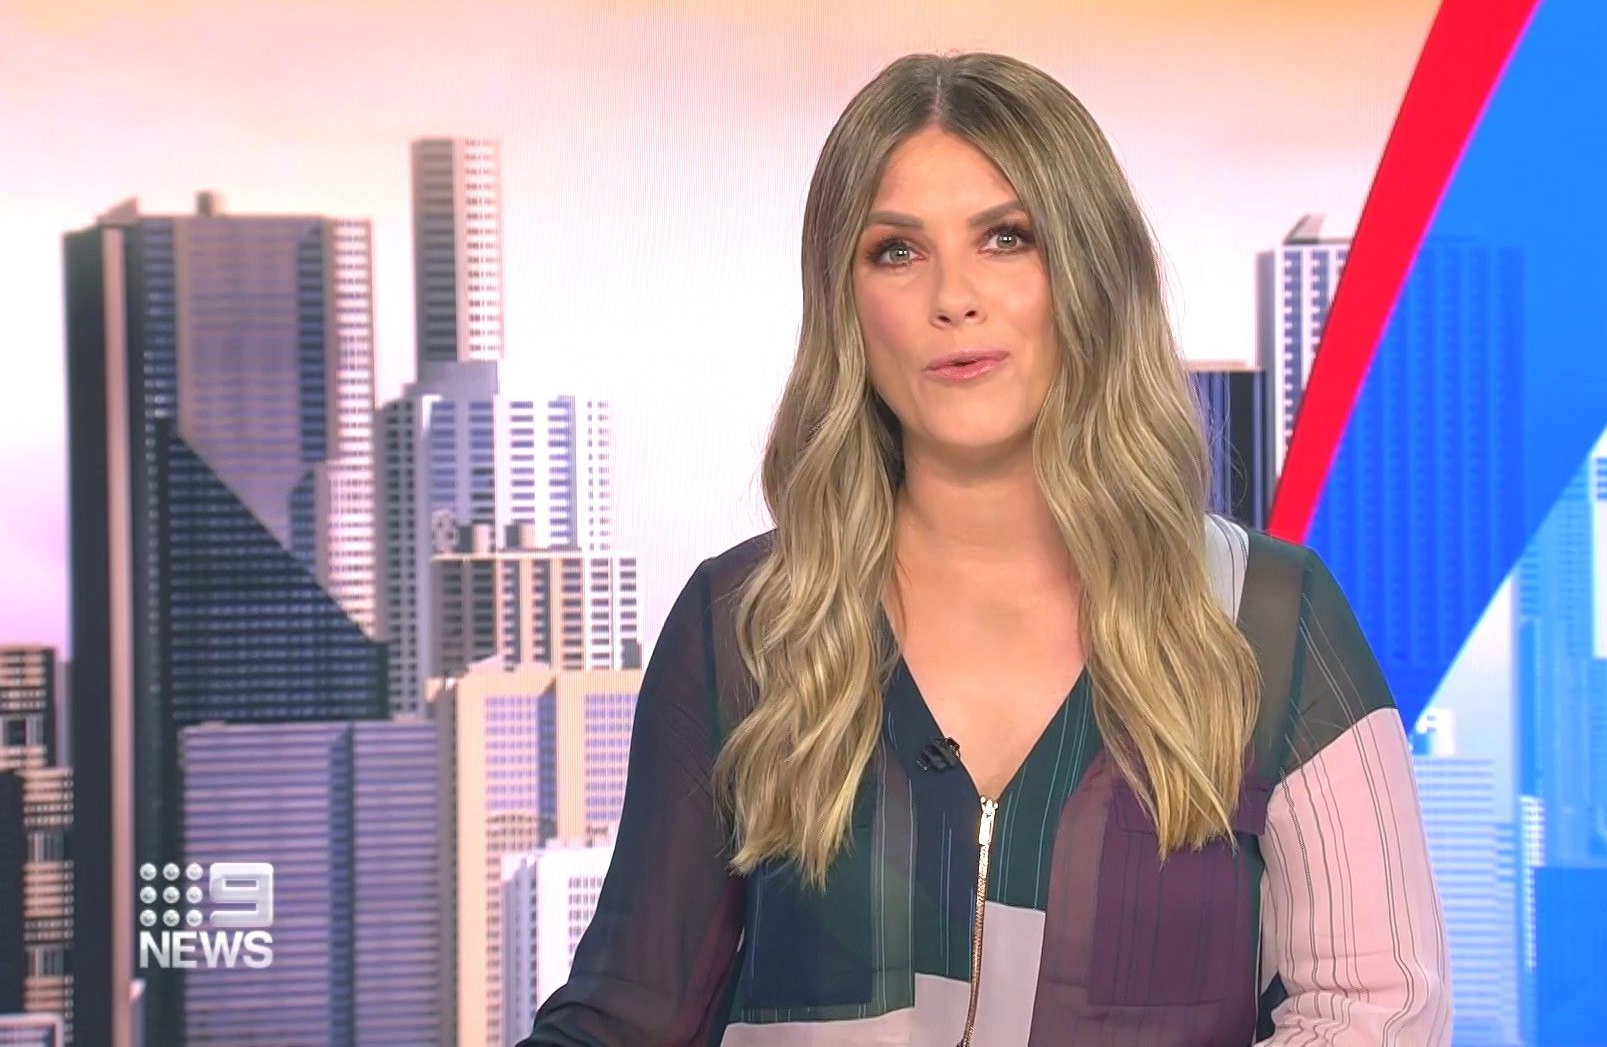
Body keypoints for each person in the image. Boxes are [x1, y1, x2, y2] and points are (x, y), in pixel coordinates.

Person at [522, 51, 1450, 1046]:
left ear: (1089, 274)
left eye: (1007, 239)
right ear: (845, 305)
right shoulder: (744, 623)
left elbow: (1381, 1010)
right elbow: (625, 1017)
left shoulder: (1268, 618)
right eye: (896, 251)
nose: (953, 297)